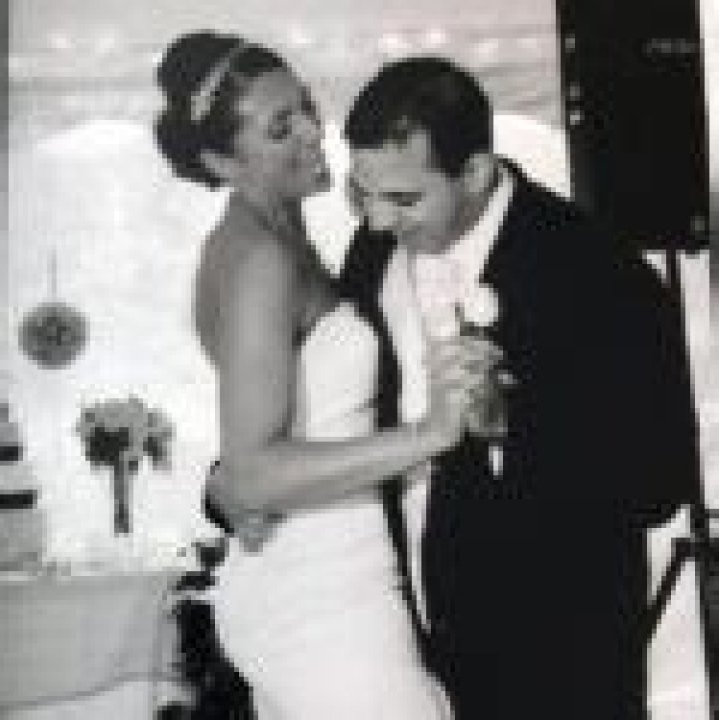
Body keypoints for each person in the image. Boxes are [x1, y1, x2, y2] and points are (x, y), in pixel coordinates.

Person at [340, 56, 702, 720]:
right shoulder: (370, 254)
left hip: (558, 659)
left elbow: (660, 481)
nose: (378, 222)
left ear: (476, 172)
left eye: (404, 199)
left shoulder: (602, 272)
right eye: (361, 193)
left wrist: (511, 424)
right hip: (406, 649)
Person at [155, 32, 491, 720]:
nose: (314, 130)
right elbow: (252, 473)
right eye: (281, 128)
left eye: (305, 106)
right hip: (320, 600)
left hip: (343, 576)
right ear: (222, 162)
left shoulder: (292, 236)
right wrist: (428, 435)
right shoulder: (259, 261)